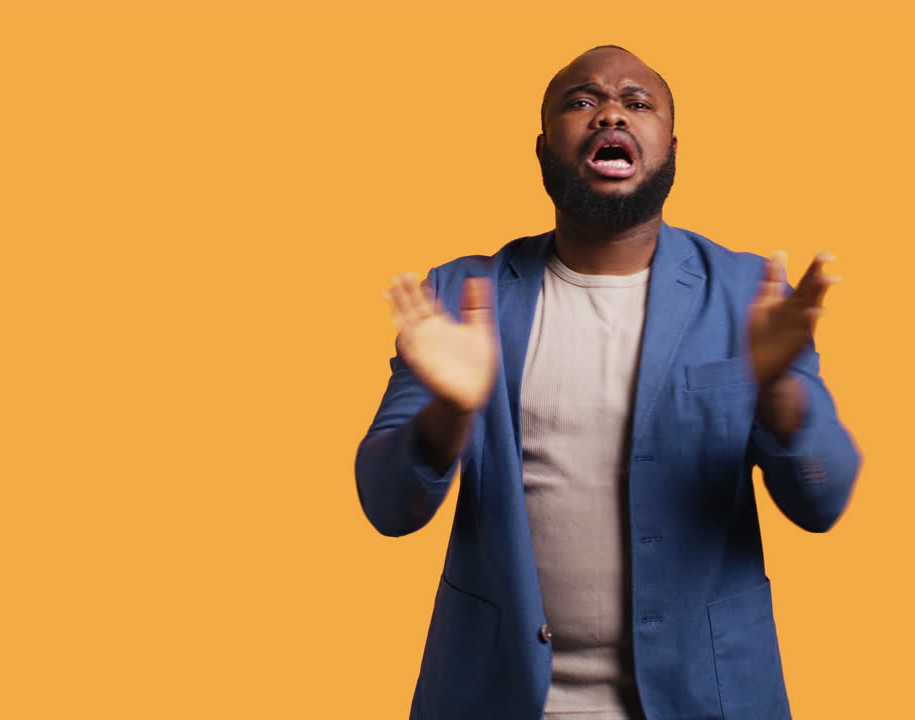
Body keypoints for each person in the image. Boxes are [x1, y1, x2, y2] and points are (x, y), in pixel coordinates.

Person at [355, 45, 860, 720]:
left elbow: (821, 499)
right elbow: (388, 506)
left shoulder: (749, 296)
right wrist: (449, 412)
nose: (610, 113)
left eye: (636, 102)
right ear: (542, 149)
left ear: (671, 147)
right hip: (496, 696)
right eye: (582, 101)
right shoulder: (459, 299)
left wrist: (775, 391)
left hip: (705, 697)